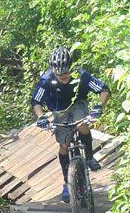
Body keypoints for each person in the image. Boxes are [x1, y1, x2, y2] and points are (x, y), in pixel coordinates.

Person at [30, 46, 111, 203]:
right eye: (59, 74)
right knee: (64, 145)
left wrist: (99, 106)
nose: (64, 77)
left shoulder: (81, 75)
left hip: (78, 104)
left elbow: (104, 89)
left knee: (82, 125)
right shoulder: (46, 80)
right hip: (59, 111)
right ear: (53, 70)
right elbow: (36, 101)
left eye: (66, 73)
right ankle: (67, 183)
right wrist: (41, 117)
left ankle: (89, 157)